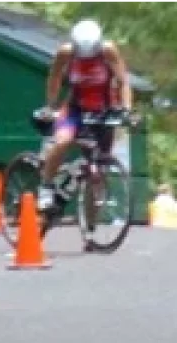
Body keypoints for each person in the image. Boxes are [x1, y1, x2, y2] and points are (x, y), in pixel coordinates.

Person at [36, 18, 134, 212]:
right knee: (62, 142)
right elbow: (54, 77)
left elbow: (124, 82)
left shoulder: (108, 51)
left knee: (98, 171)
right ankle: (46, 186)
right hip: (75, 109)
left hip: (103, 111)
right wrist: (50, 105)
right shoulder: (66, 52)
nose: (87, 60)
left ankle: (89, 229)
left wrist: (126, 110)